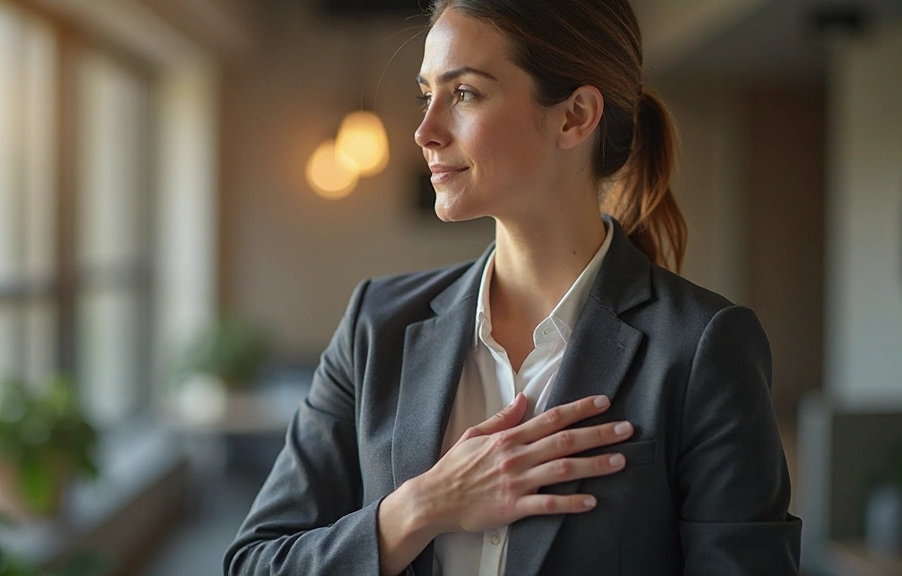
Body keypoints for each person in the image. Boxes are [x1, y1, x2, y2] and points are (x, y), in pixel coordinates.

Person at [224, 0, 802, 574]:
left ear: (575, 115)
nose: (425, 131)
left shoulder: (703, 347)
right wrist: (423, 506)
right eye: (428, 95)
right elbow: (255, 563)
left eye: (465, 93)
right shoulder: (377, 324)